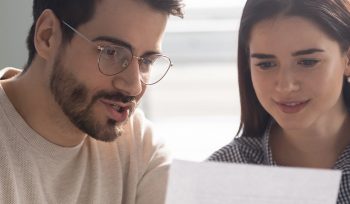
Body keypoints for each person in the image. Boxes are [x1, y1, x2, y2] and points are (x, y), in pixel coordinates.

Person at [0, 0, 183, 203]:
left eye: (147, 61)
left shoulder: (141, 148)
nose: (134, 87)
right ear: (48, 36)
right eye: (111, 52)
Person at [208, 0, 350, 202]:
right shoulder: (220, 179)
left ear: (348, 59)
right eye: (266, 64)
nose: (285, 86)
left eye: (307, 62)